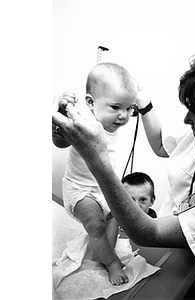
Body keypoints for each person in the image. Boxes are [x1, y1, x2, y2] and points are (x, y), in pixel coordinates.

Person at [52, 45, 195, 300]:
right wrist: (141, 102)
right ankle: (108, 259)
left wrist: (96, 159)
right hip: (148, 226)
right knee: (98, 226)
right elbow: (160, 145)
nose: (187, 121)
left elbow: (149, 232)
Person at [52, 62, 138, 285]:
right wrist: (61, 114)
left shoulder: (111, 124)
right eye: (116, 107)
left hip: (102, 188)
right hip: (80, 190)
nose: (123, 116)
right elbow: (59, 141)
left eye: (129, 109)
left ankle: (105, 255)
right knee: (96, 226)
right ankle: (111, 263)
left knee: (113, 218)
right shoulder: (82, 118)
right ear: (90, 102)